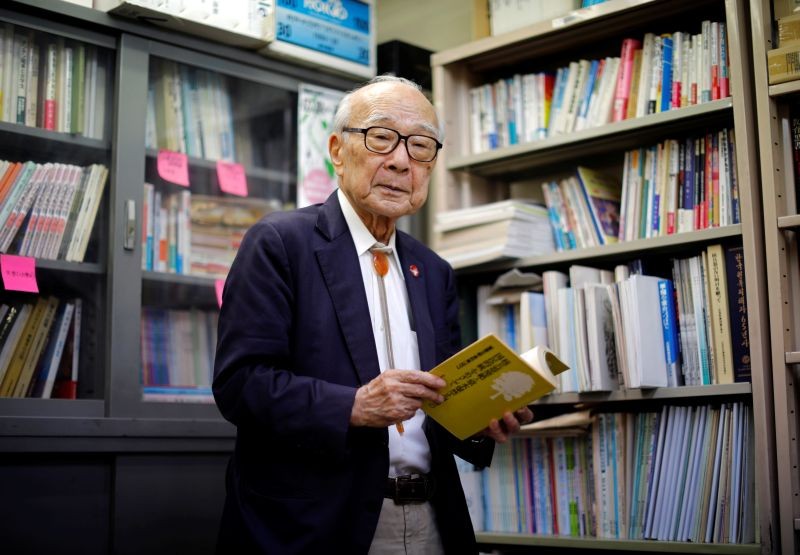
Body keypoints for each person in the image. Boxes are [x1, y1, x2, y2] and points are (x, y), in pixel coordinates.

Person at [212, 75, 533, 555]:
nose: (401, 160)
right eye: (382, 137)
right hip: (314, 524)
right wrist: (354, 406)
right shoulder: (280, 243)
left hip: (431, 518)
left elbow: (439, 399)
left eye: (421, 145)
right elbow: (241, 384)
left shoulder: (435, 270)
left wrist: (479, 419)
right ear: (338, 150)